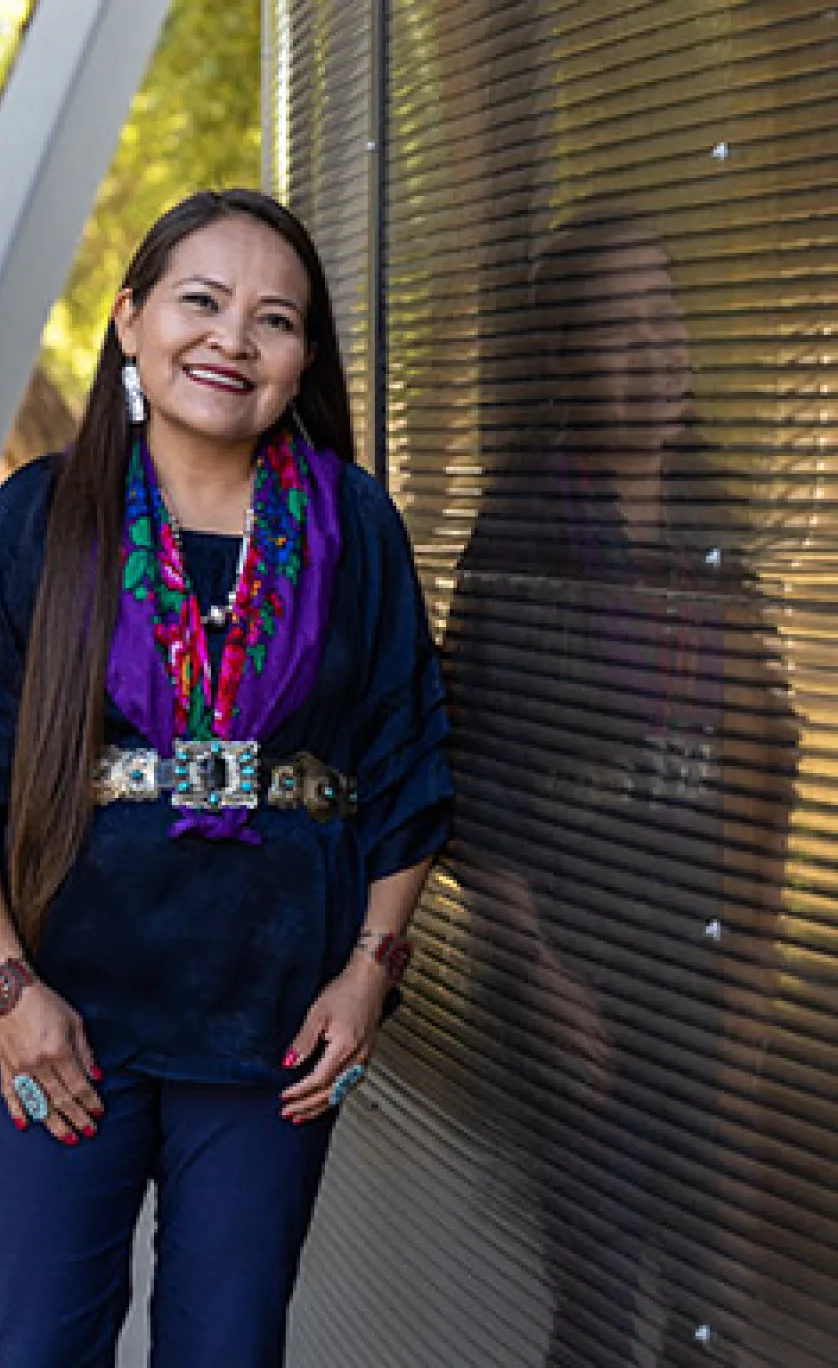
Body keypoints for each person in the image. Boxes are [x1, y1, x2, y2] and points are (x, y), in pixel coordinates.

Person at [0, 188, 453, 1368]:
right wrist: (7, 995)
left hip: (275, 1027)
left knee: (229, 1347)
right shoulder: (39, 519)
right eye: (201, 302)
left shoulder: (355, 529)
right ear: (130, 320)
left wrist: (367, 976)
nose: (233, 340)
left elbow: (408, 768)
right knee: (41, 1343)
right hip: (65, 1018)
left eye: (276, 319)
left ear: (305, 358)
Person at [445, 212, 798, 1365]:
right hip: (576, 984)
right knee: (598, 1304)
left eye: (666, 317)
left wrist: (749, 975)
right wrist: (545, 981)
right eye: (617, 329)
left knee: (711, 1298)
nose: (654, 352)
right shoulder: (519, 538)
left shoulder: (715, 528)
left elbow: (764, 764)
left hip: (701, 974)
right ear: (567, 359)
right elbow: (480, 781)